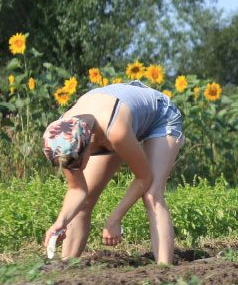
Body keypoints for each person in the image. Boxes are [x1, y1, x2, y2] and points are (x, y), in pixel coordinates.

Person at [41, 81, 184, 265]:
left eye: (77, 164)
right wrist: (60, 222)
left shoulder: (115, 132)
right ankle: (67, 268)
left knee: (151, 196)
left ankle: (165, 272)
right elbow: (77, 191)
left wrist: (115, 219)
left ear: (88, 146)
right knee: (83, 203)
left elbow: (144, 177)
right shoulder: (63, 140)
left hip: (158, 116)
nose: (75, 170)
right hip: (114, 117)